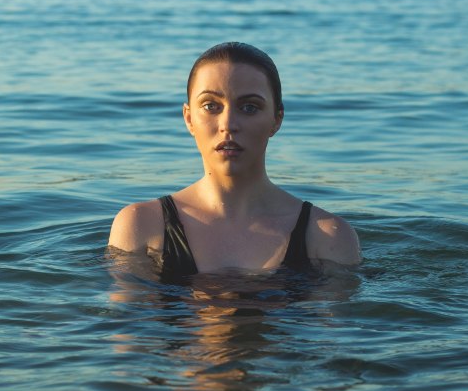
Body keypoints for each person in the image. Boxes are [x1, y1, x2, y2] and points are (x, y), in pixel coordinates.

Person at [108, 42, 360, 280]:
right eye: (210, 106)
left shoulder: (326, 237)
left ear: (277, 118)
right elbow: (126, 322)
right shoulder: (143, 226)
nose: (228, 125)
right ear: (188, 118)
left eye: (249, 107)